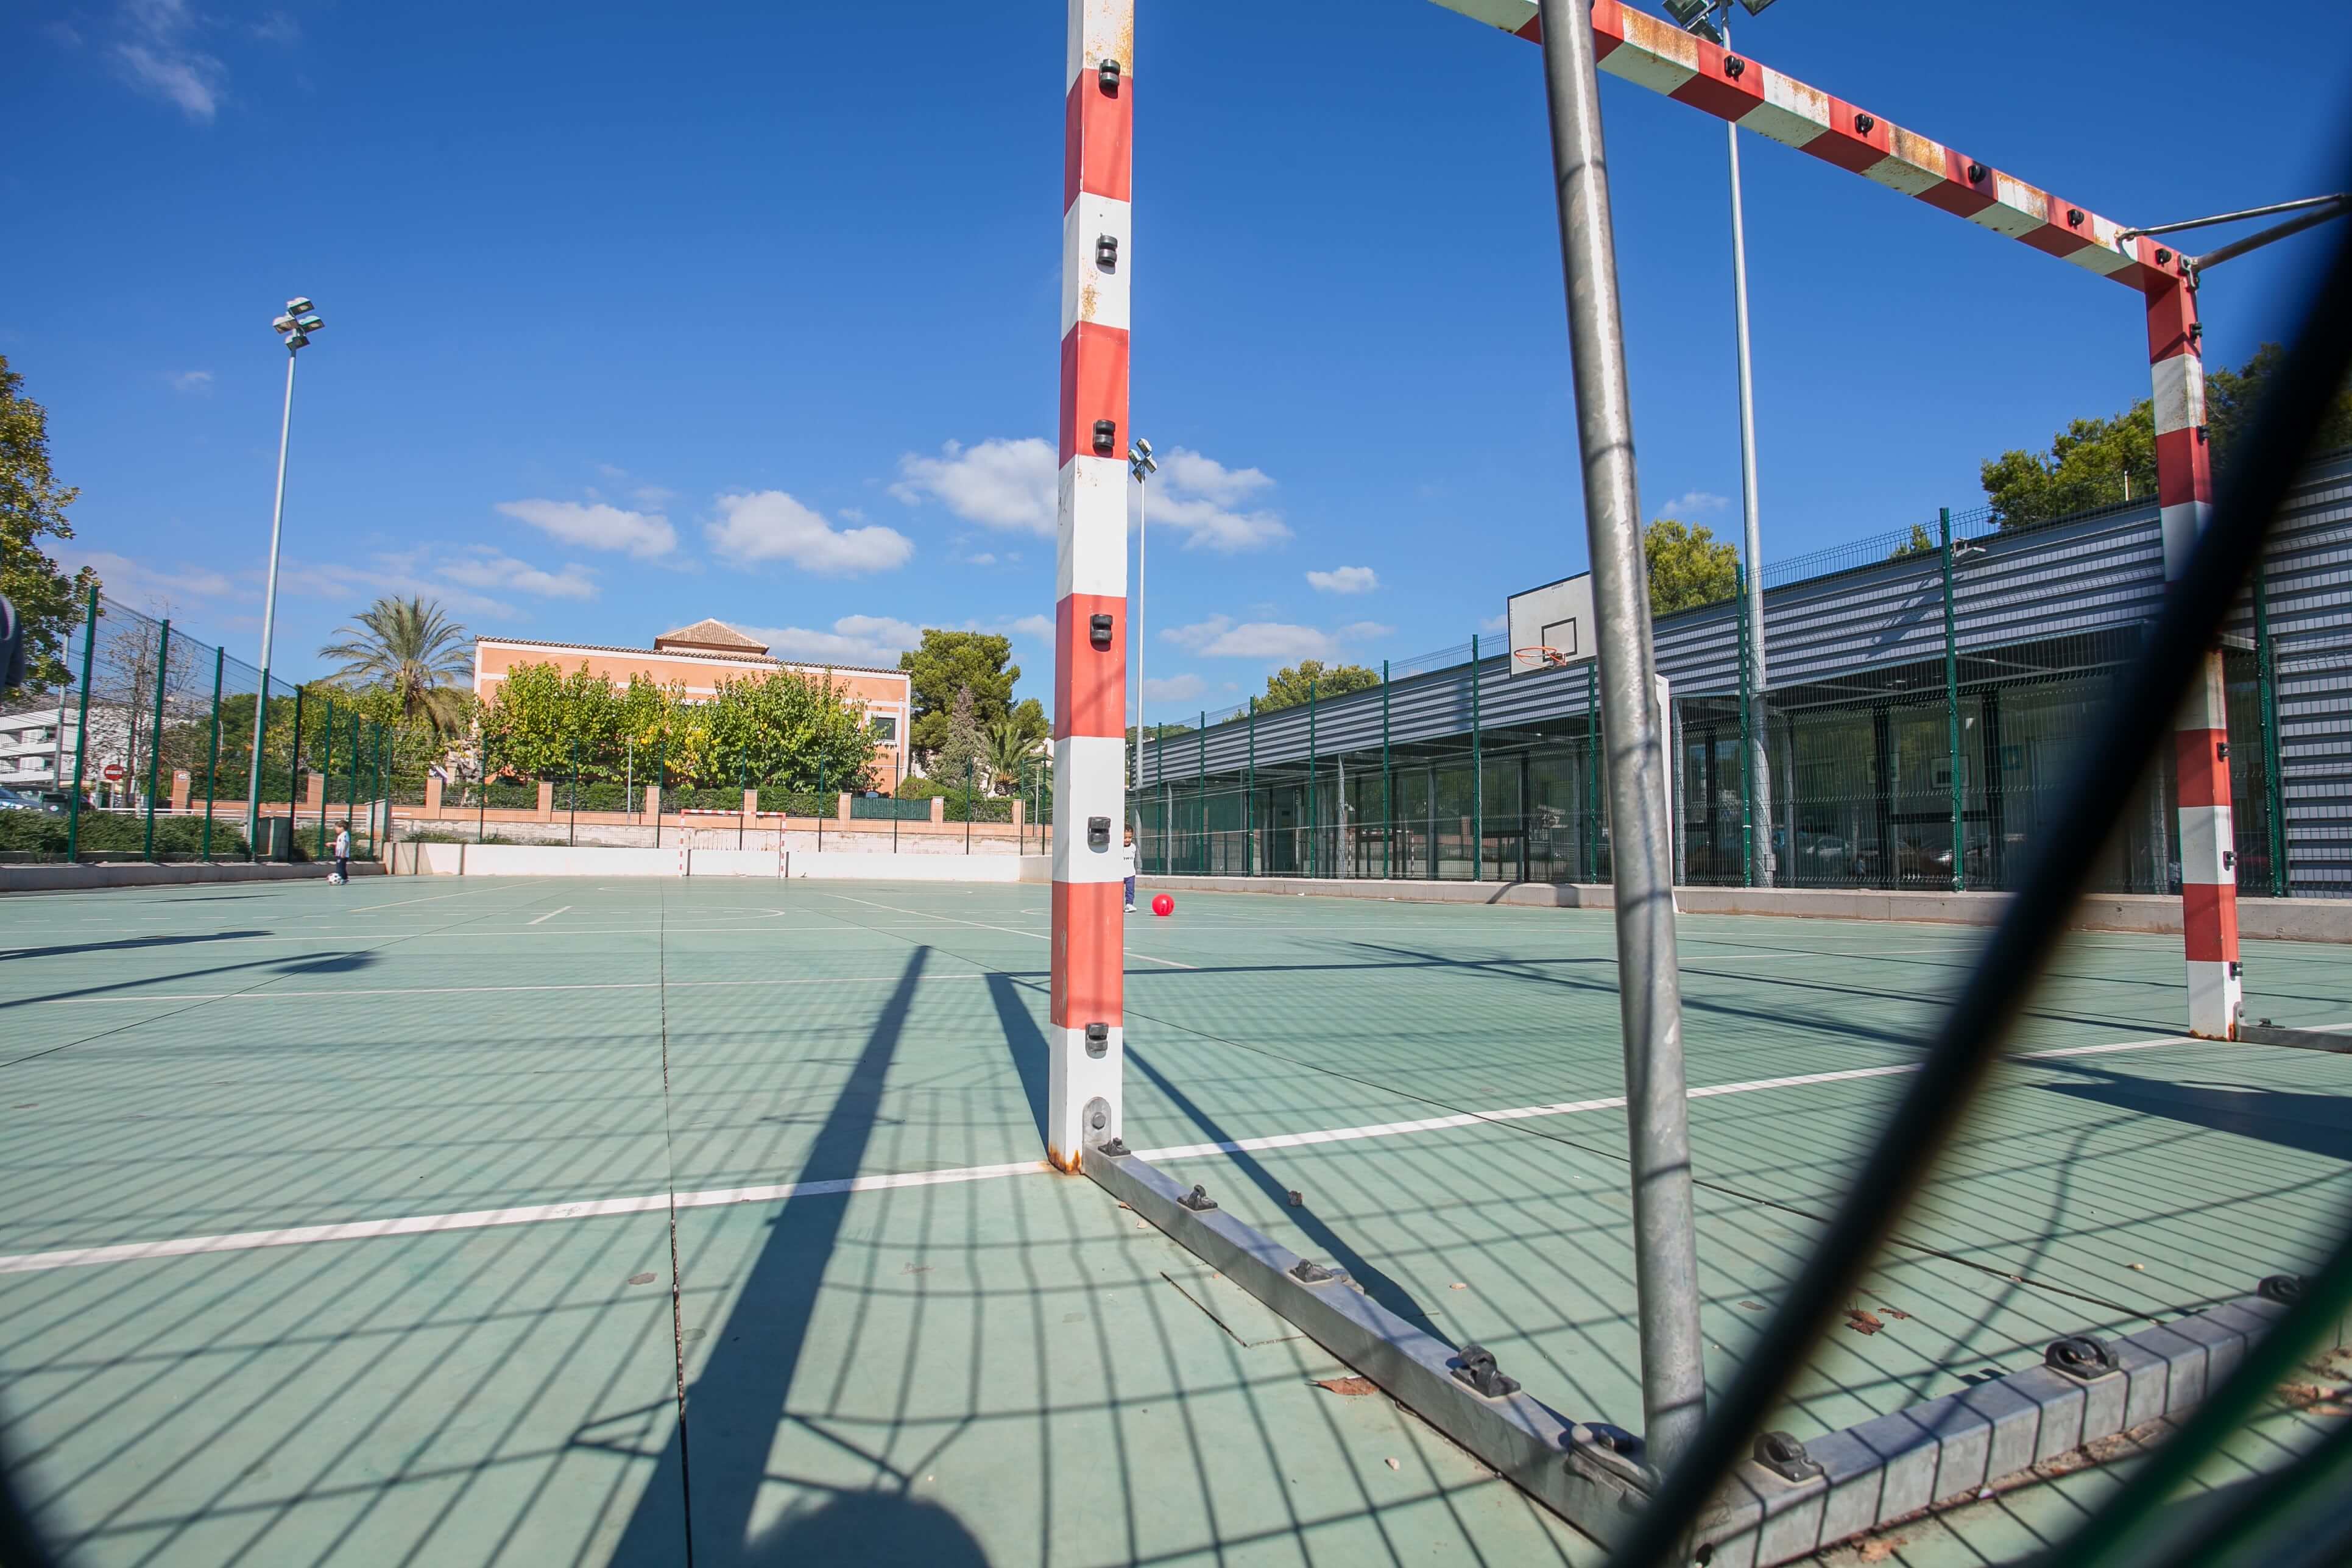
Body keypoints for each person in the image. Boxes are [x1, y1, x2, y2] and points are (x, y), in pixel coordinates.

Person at [1121, 825, 1137, 913]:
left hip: (1130, 874)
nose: (1127, 840)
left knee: (1130, 891)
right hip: (1119, 875)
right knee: (1117, 892)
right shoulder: (1118, 848)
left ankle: (1129, 905)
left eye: (1130, 837)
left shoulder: (1133, 847)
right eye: (1125, 838)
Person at [332, 821, 351, 885]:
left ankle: (342, 879)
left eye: (337, 827)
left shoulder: (345, 834)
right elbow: (340, 844)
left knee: (340, 868)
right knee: (342, 867)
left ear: (342, 828)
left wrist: (344, 853)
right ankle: (345, 879)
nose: (336, 829)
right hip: (340, 854)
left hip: (342, 855)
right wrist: (331, 843)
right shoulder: (341, 835)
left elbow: (347, 843)